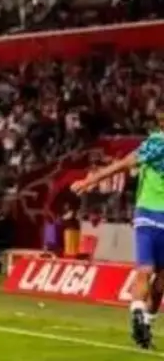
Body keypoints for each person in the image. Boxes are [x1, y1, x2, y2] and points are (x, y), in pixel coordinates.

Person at [73, 117, 164, 349]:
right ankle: (145, 321)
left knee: (147, 272)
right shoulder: (156, 142)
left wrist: (88, 181)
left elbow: (123, 164)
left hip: (148, 216)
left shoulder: (155, 143)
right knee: (156, 277)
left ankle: (140, 316)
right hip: (154, 215)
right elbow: (125, 164)